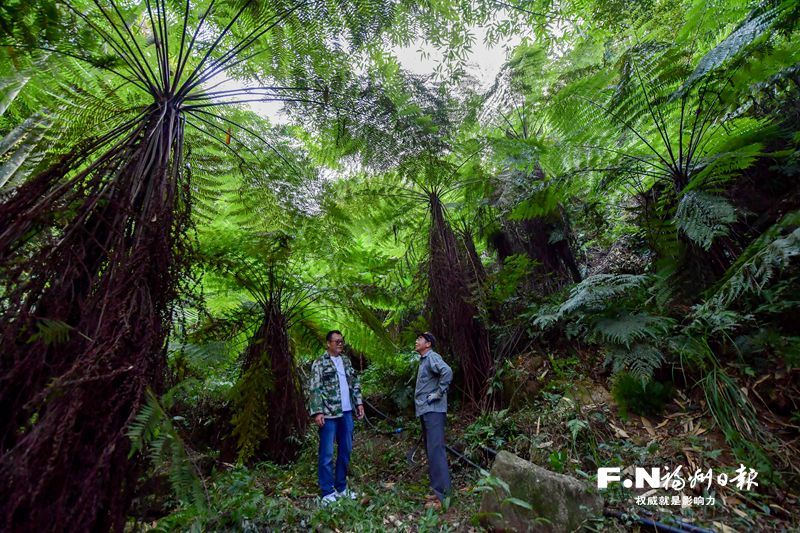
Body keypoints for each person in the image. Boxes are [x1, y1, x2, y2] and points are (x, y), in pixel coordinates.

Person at [308, 330, 365, 505]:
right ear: (328, 343)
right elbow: (315, 388)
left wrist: (359, 403)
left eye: (342, 341)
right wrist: (318, 411)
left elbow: (354, 383)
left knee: (346, 450)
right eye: (337, 341)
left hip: (346, 412)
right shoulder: (320, 363)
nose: (340, 344)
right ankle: (327, 492)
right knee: (327, 453)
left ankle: (341, 488)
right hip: (329, 413)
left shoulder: (346, 361)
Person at [414, 331, 453, 509]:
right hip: (426, 410)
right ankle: (438, 490)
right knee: (432, 451)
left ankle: (443, 498)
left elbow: (447, 372)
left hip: (434, 410)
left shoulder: (432, 357)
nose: (417, 341)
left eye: (420, 339)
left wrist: (438, 393)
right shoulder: (424, 360)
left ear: (428, 344)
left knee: (436, 451)